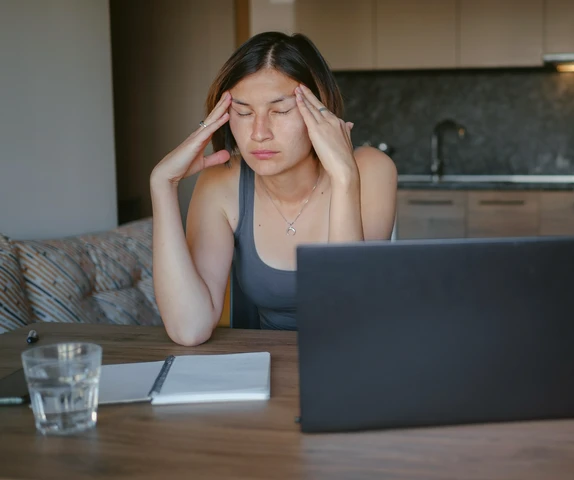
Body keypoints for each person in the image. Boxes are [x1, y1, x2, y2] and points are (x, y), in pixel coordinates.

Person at [149, 32, 398, 346]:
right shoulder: (220, 182)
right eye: (243, 113)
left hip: (356, 362)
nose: (259, 133)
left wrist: (344, 177)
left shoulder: (371, 169)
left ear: (320, 109)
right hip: (267, 372)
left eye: (280, 111)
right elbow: (189, 329)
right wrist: (162, 184)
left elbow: (344, 323)